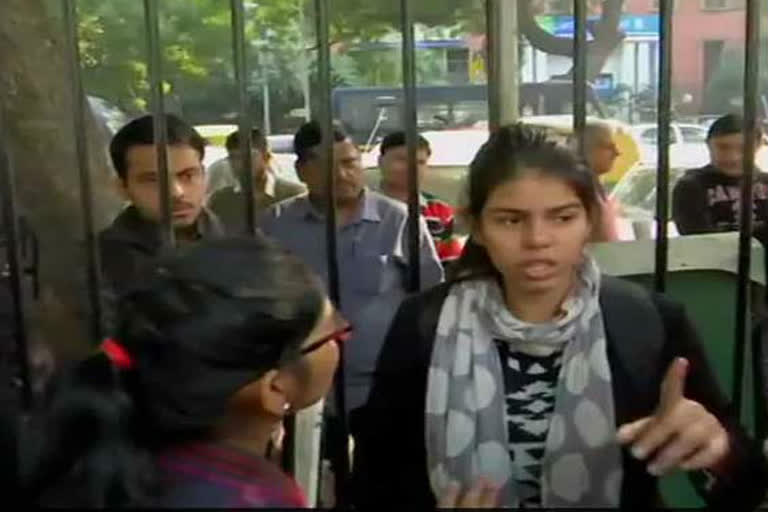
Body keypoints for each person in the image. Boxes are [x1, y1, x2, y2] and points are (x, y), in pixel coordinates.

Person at [353, 123, 768, 509]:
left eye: (562, 217)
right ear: (477, 227)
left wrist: (718, 449)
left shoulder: (645, 321)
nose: (537, 240)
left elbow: (747, 485)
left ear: (589, 220)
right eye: (511, 219)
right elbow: (373, 481)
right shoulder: (425, 324)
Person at [21, 237, 346, 507]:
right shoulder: (255, 499)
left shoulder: (110, 462)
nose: (343, 338)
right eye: (332, 334)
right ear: (275, 388)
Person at [260, 121, 444, 416]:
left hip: (384, 388)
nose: (342, 175)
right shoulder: (275, 224)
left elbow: (431, 299)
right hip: (301, 390)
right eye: (328, 166)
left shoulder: (398, 221)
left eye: (350, 163)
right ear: (302, 171)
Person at [98, 114, 225, 299]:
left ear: (204, 176)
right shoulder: (97, 264)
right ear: (123, 188)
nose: (176, 192)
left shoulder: (239, 238)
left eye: (187, 176)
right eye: (153, 180)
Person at [673, 114, 768, 243]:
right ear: (708, 145)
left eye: (743, 148)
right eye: (723, 147)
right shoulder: (691, 186)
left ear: (759, 145)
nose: (732, 157)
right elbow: (699, 240)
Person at [378, 131, 464, 267]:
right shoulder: (361, 207)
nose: (412, 168)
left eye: (420, 162)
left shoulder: (439, 211)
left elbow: (450, 262)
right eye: (402, 160)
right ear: (381, 162)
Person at [208, 128, 306, 233]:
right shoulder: (220, 202)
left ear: (266, 157)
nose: (240, 165)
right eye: (233, 158)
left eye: (248, 157)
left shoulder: (295, 195)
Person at [572, 122, 620, 242]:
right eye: (609, 147)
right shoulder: (576, 188)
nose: (616, 153)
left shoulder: (594, 184)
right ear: (589, 148)